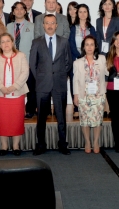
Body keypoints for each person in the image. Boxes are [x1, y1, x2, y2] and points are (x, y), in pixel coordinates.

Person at [29, 14, 72, 155]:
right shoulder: (36, 42)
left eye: (52, 23)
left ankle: (63, 144)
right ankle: (41, 144)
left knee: (61, 117)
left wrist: (60, 75)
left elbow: (68, 62)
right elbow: (32, 64)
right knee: (41, 118)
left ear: (56, 25)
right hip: (42, 85)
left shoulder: (64, 41)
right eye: (47, 23)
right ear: (43, 25)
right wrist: (41, 78)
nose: (49, 25)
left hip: (59, 84)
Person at [0, 32, 29, 156]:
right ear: (0, 45)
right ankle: (4, 146)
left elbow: (25, 72)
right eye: (3, 42)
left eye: (8, 41)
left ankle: (16, 146)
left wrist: (14, 87)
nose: (6, 43)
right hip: (0, 94)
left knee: (16, 120)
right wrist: (1, 87)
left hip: (17, 93)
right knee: (2, 120)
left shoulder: (21, 56)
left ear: (12, 43)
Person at [72, 36, 108, 153]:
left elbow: (109, 71)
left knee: (98, 120)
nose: (89, 47)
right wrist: (76, 95)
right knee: (85, 120)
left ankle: (96, 141)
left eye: (92, 44)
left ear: (95, 46)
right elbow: (75, 80)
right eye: (87, 44)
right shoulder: (77, 62)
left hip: (98, 95)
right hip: (84, 95)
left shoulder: (102, 59)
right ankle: (87, 142)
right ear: (83, 47)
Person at [7, 2, 37, 119]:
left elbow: (35, 46)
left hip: (28, 62)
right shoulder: (8, 27)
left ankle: (30, 110)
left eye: (21, 9)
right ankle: (14, 109)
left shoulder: (32, 26)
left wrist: (32, 62)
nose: (19, 11)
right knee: (14, 87)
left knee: (30, 88)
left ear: (25, 11)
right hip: (11, 63)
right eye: (16, 9)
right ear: (13, 12)